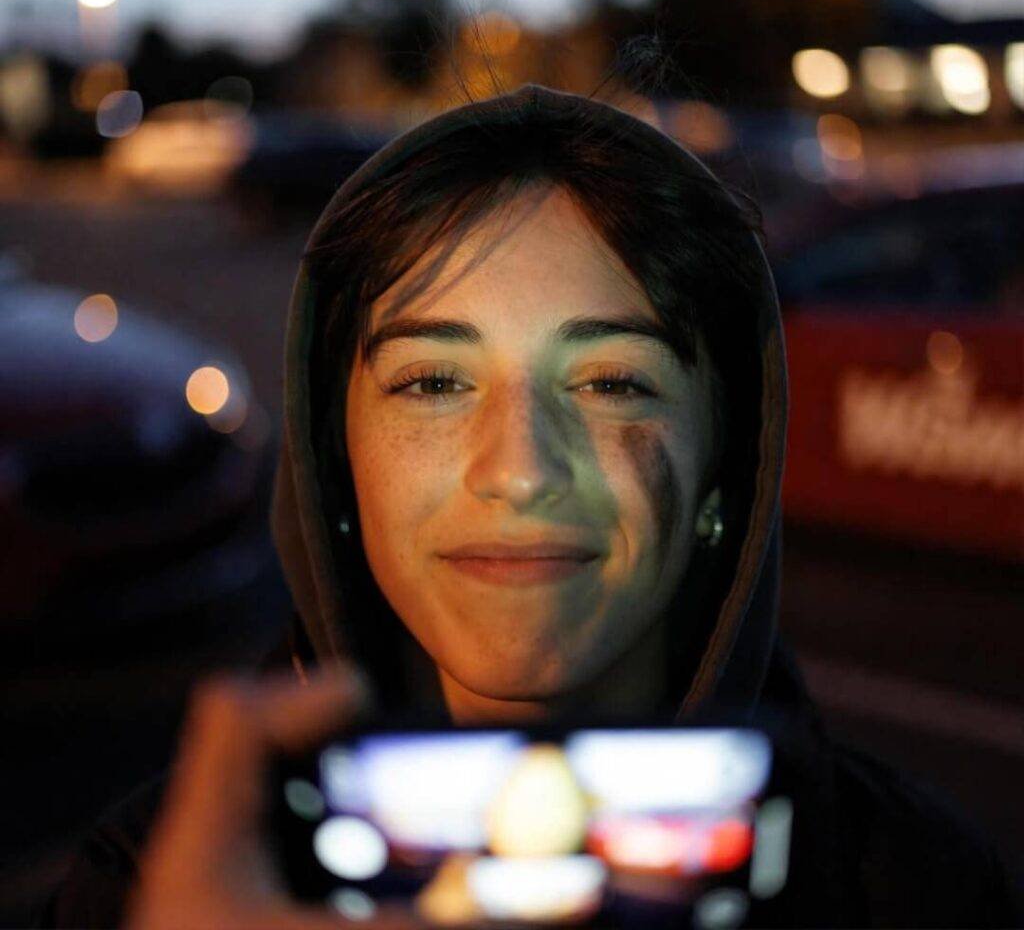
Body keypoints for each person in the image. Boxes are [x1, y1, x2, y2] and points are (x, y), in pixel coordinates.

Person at [43, 84, 1021, 928]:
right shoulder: (147, 890)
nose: (516, 468)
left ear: (726, 469)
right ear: (333, 464)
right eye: (432, 382)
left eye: (608, 382)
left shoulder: (914, 890)